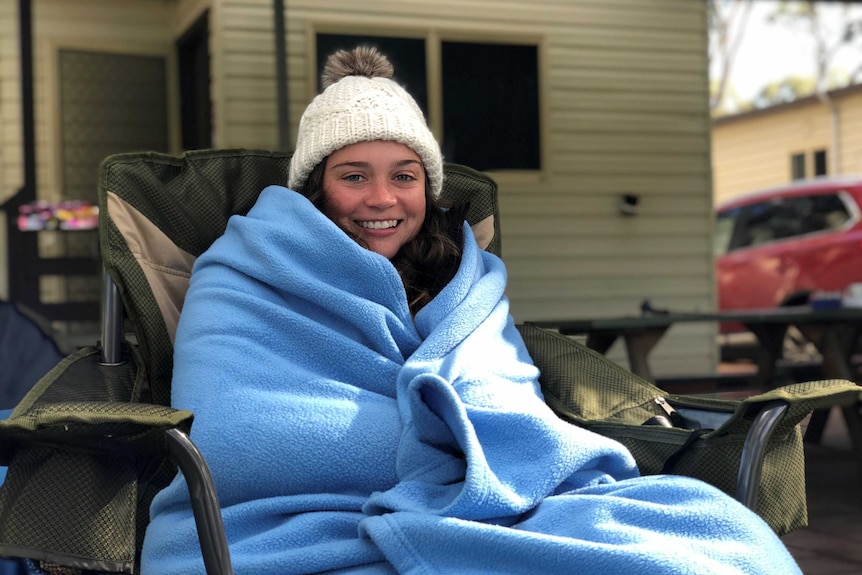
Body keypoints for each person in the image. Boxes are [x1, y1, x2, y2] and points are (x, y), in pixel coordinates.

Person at [141, 46, 801, 575]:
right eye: (354, 174)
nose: (382, 198)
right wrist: (428, 445)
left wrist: (466, 446)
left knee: (714, 536)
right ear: (316, 186)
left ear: (426, 188)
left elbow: (506, 392)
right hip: (301, 522)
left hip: (494, 497)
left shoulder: (466, 277)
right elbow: (233, 434)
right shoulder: (243, 272)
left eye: (403, 175)